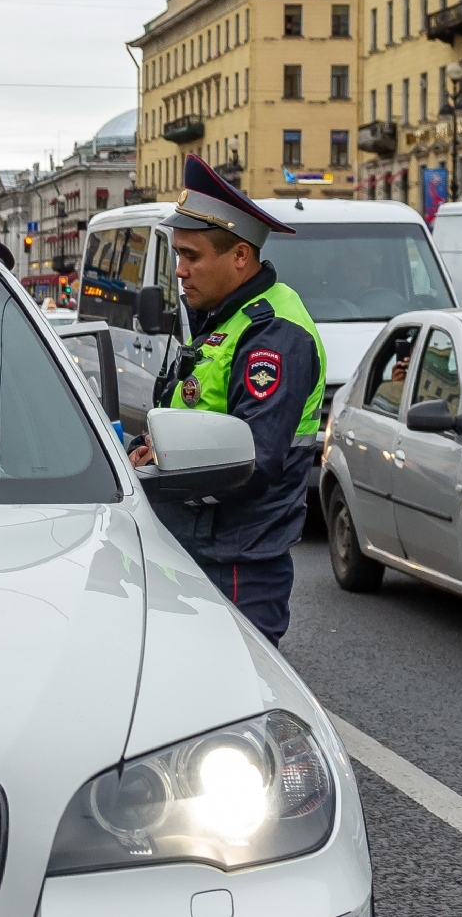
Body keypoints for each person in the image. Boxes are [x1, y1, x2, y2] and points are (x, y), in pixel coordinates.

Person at [127, 154, 325, 648]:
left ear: (240, 255)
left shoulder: (271, 334)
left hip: (236, 562)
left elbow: (251, 459)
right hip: (200, 547)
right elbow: (192, 418)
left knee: (232, 709)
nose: (179, 270)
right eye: (178, 255)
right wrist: (143, 447)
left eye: (192, 256)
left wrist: (165, 471)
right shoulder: (224, 317)